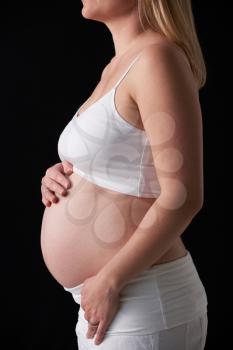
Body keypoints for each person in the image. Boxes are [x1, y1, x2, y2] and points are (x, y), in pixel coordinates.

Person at [40, 0, 208, 349]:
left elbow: (183, 195)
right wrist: (65, 175)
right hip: (111, 302)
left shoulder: (157, 59)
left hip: (140, 297)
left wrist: (112, 279)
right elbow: (122, 162)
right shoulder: (119, 65)